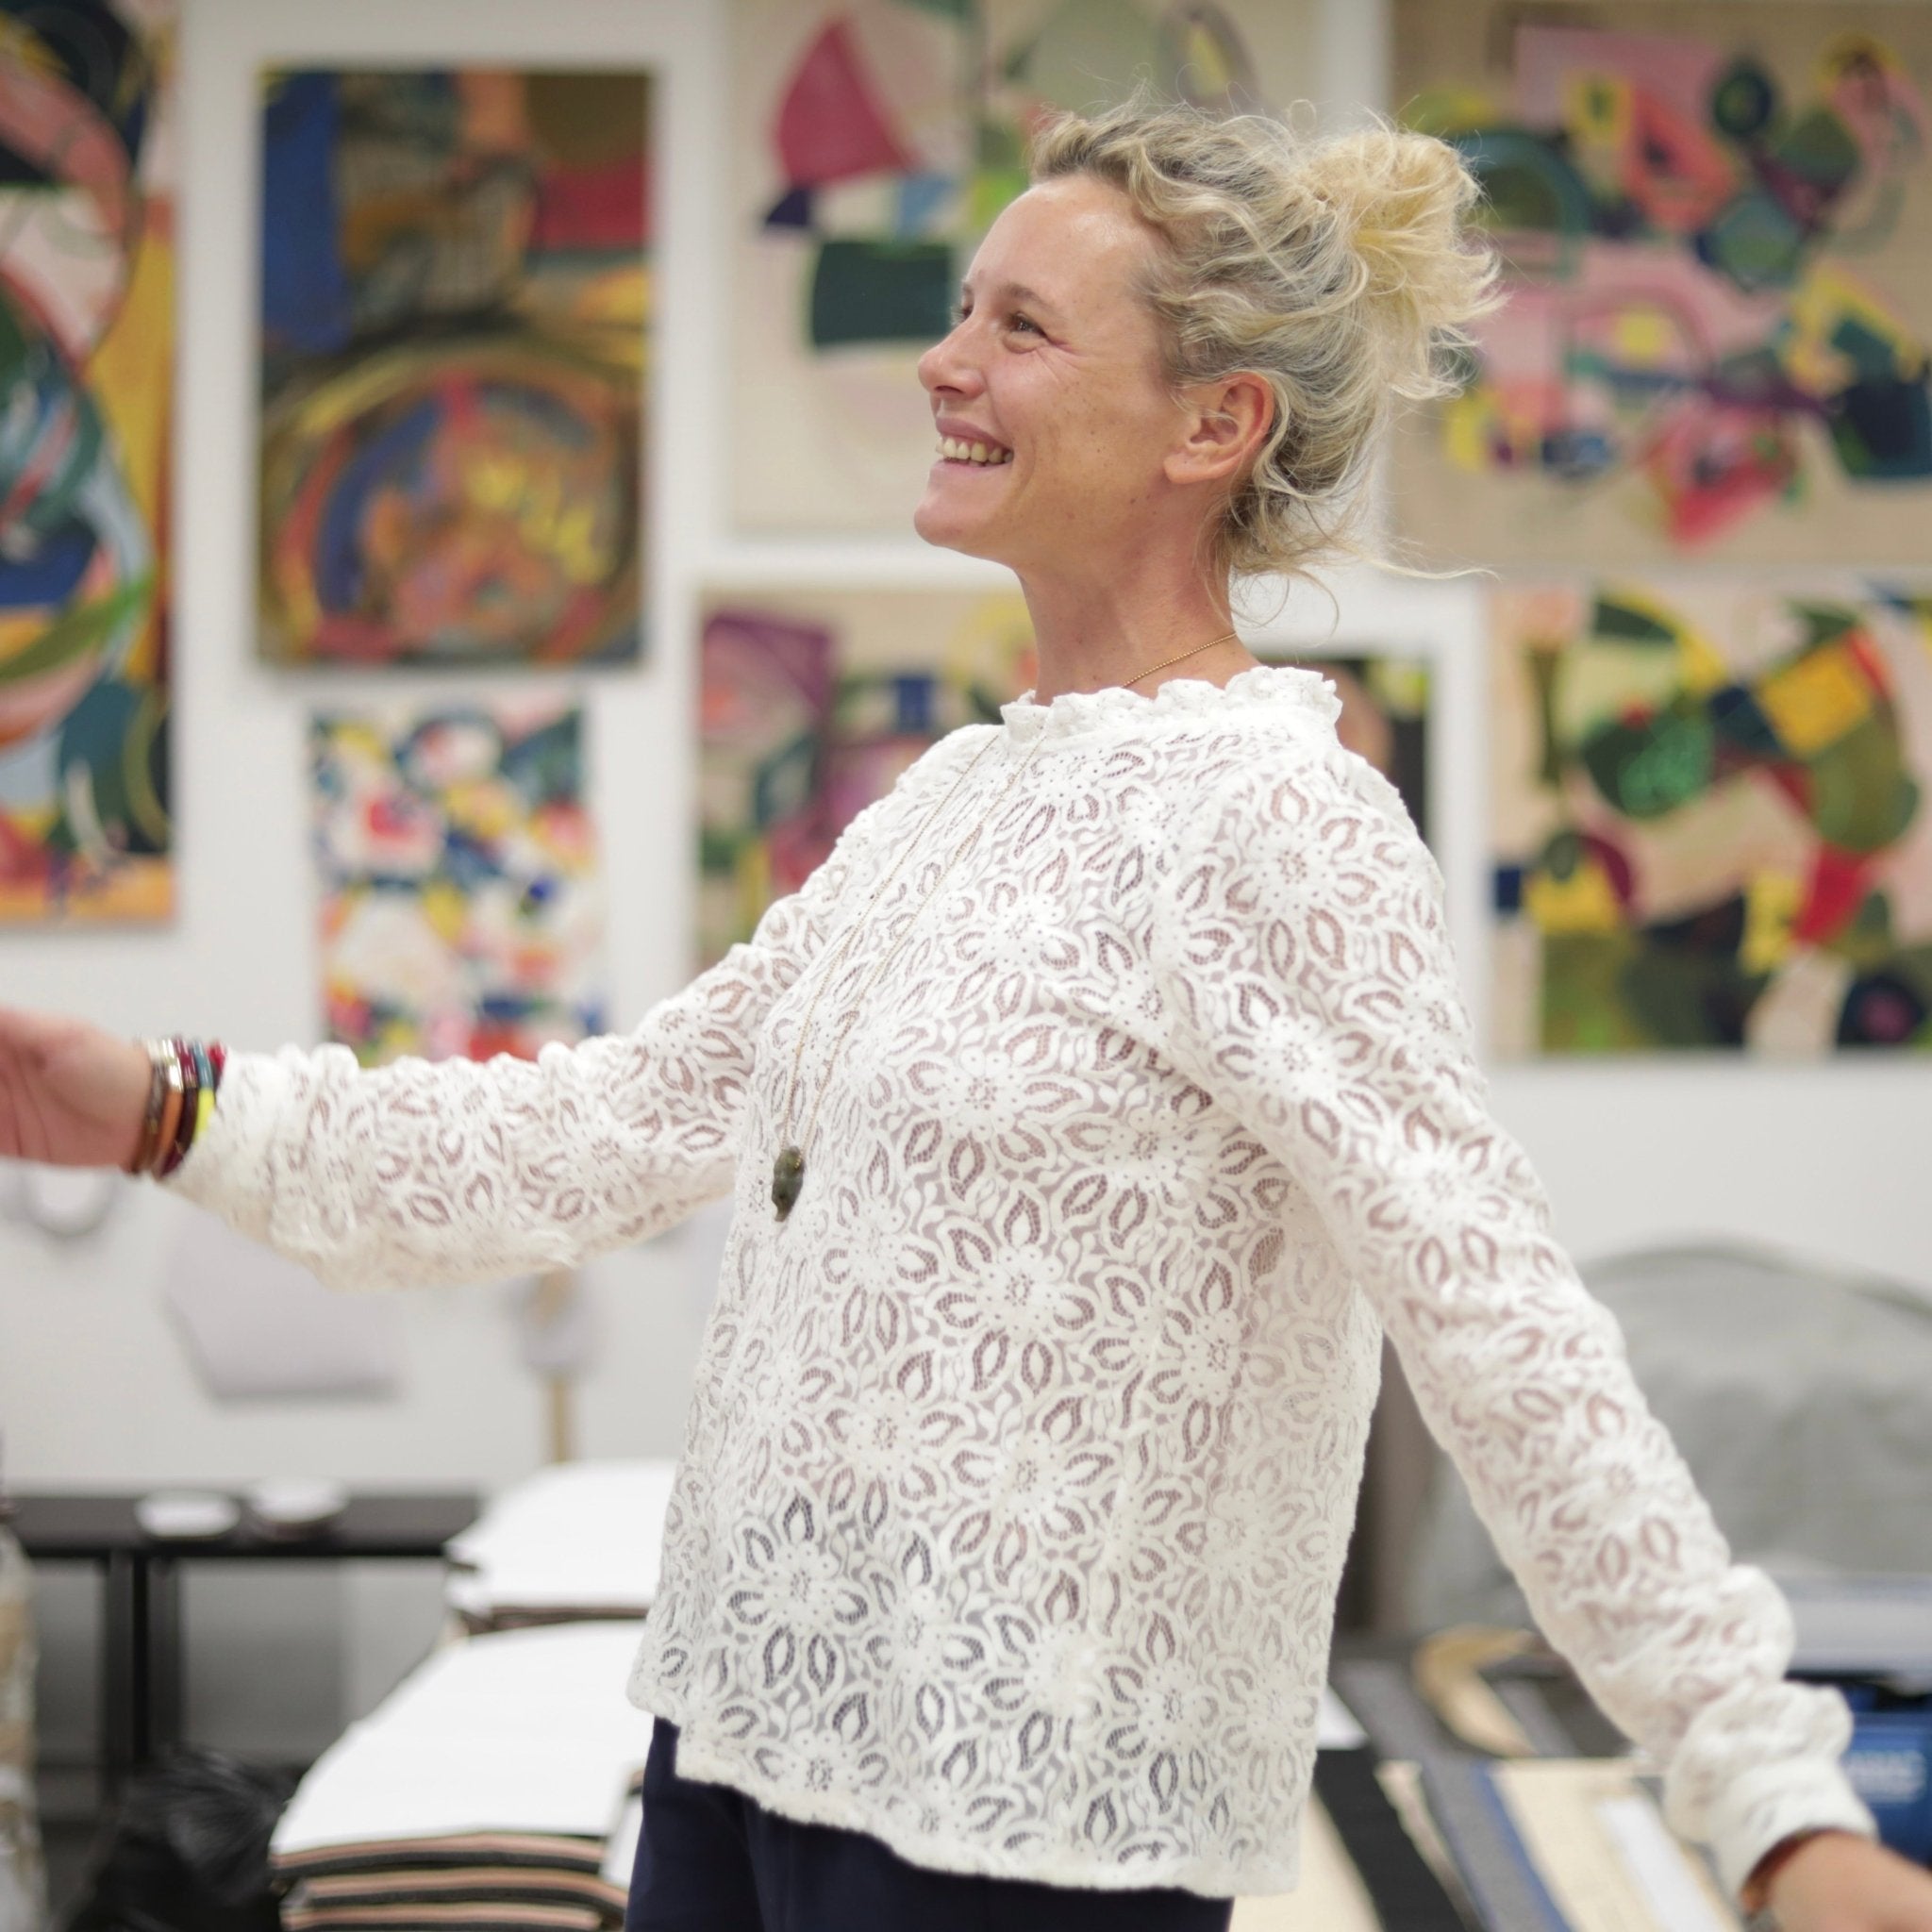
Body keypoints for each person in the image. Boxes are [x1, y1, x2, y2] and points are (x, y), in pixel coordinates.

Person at [3, 95, 1929, 1932]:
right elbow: (597, 1131)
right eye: (960, 311)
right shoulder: (952, 802)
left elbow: (1493, 1317)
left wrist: (1770, 1801)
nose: (943, 363)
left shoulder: (1279, 818)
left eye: (1020, 326)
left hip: (1014, 1808)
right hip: (739, 1733)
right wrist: (167, 1107)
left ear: (1213, 424)